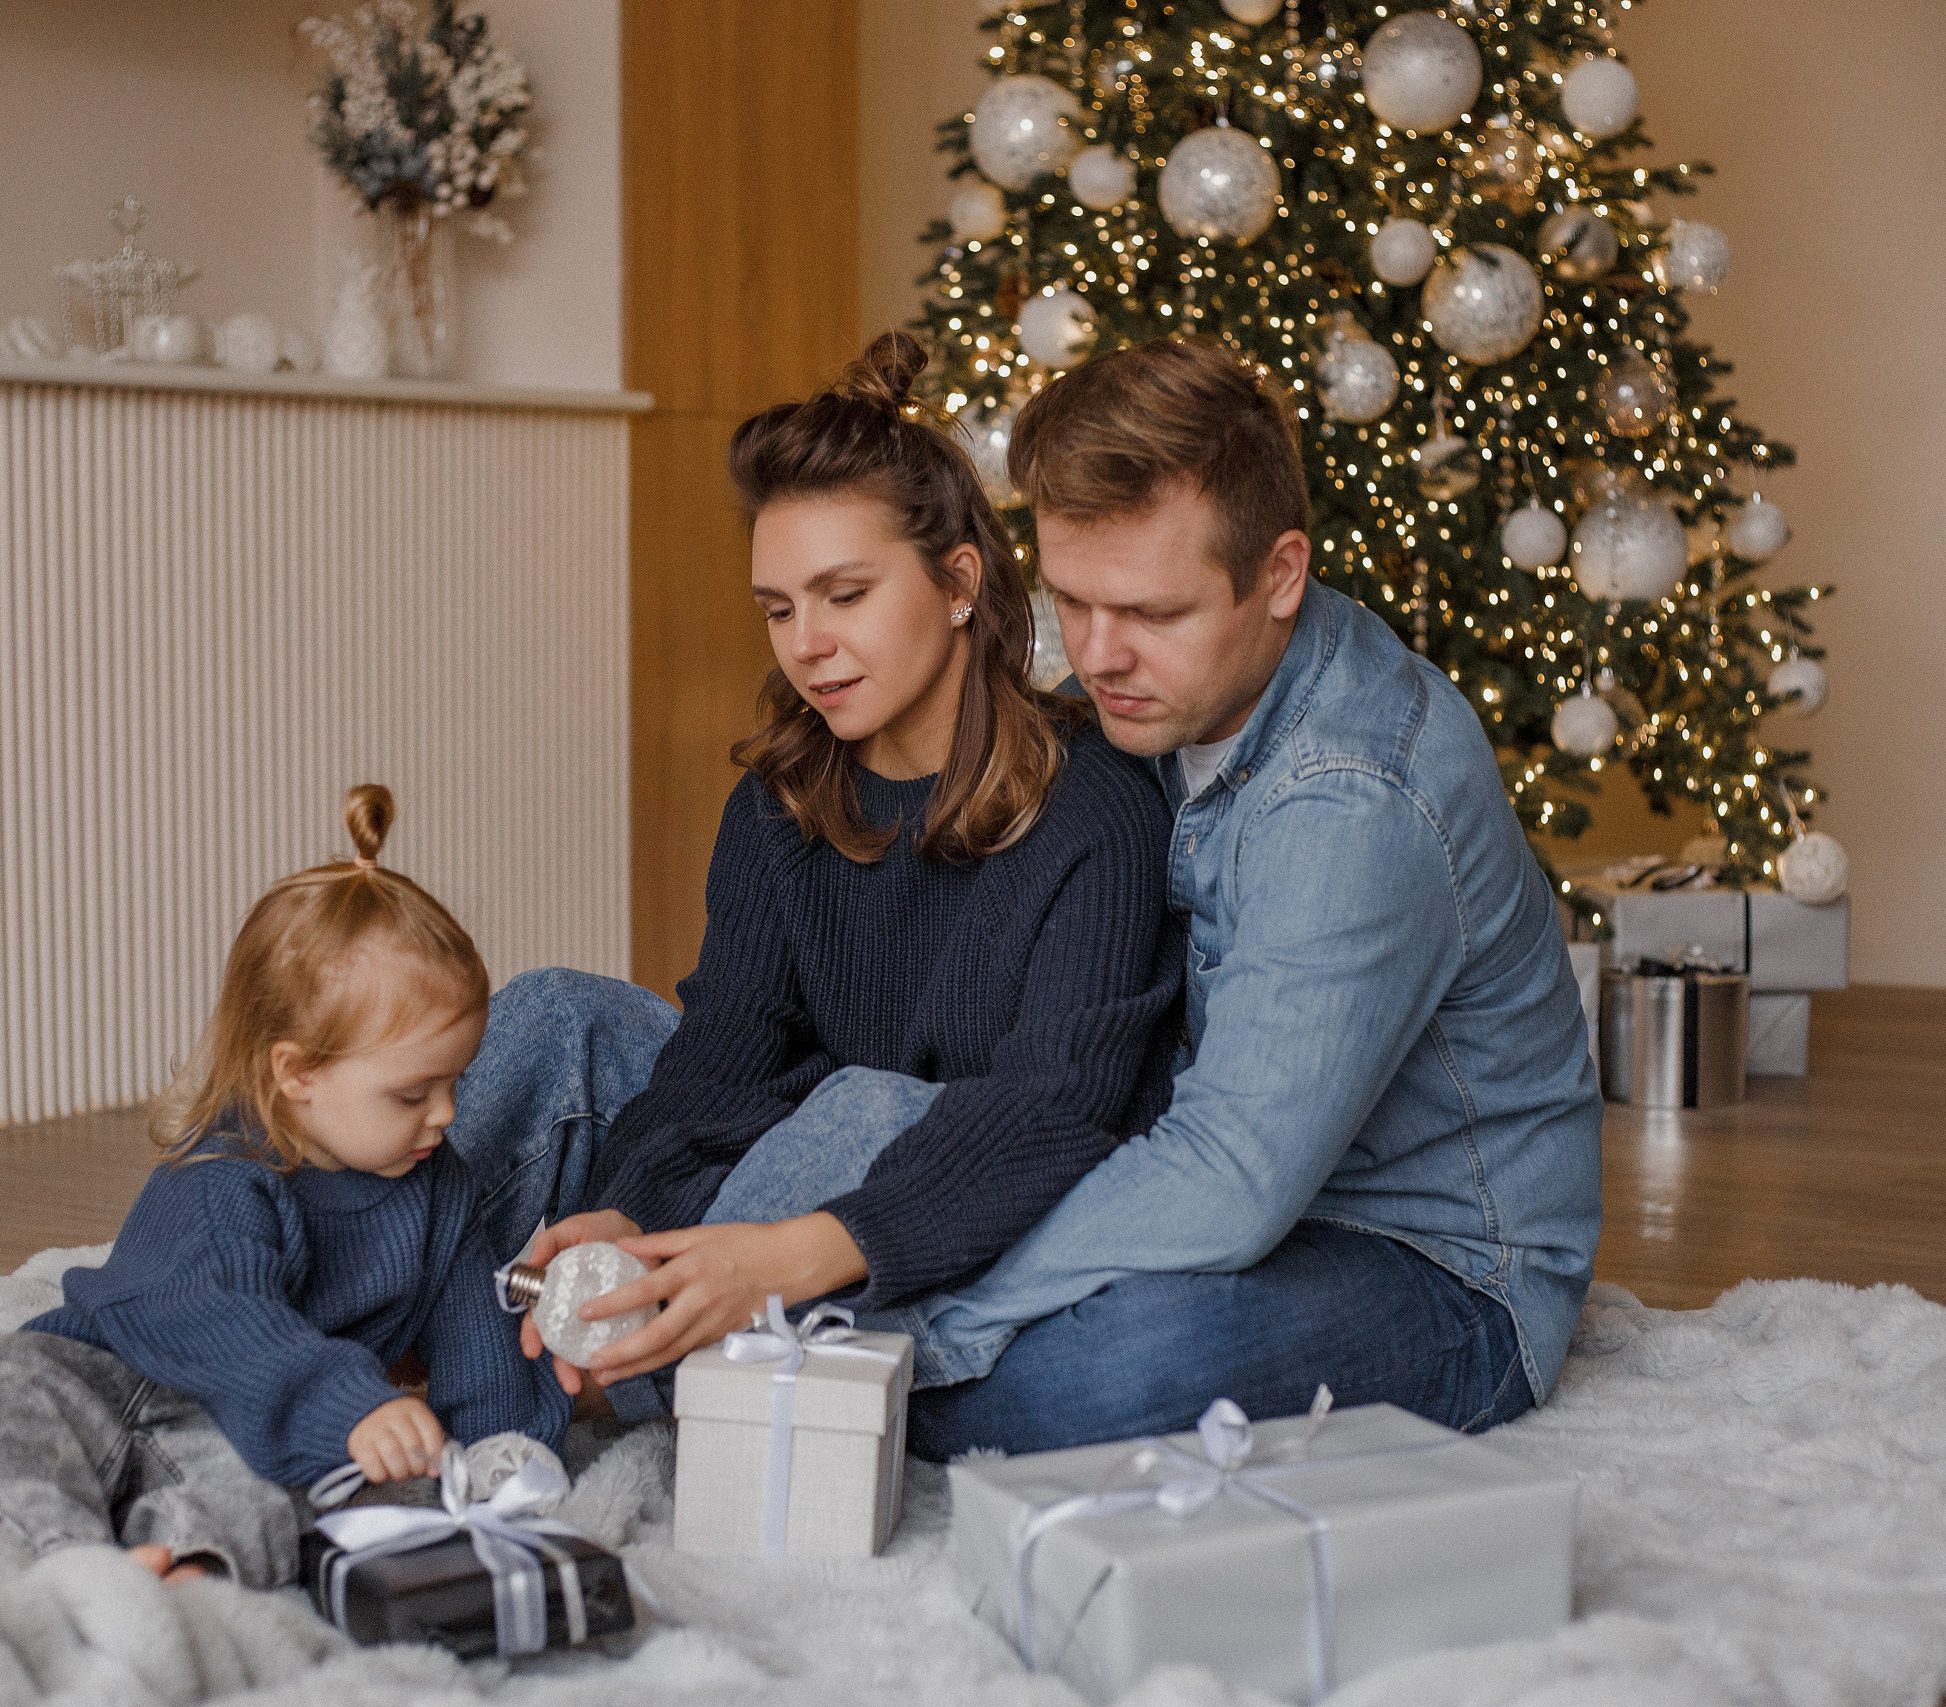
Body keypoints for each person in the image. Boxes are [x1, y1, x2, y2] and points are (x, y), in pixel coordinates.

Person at [439, 331, 1184, 1426]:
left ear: (959, 583)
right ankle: (311, 1269)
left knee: (865, 1106)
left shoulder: (1094, 804)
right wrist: (626, 1207)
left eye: (844, 595)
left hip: (939, 1211)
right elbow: (725, 1051)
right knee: (560, 1013)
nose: (808, 646)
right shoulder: (780, 801)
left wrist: (745, 1256)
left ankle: (571, 1373)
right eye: (779, 609)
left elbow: (1056, 1114)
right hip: (790, 1164)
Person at [886, 338, 1605, 1456]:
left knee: (1107, 1373)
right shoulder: (1144, 706)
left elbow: (1229, 1183)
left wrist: (913, 1314)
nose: (1097, 655)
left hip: (1431, 1263)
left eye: (1154, 614)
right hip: (1219, 1179)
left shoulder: (1354, 797)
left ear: (1279, 576)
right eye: (1073, 602)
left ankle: (865, 1376)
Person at [0, 786, 524, 1587]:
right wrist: (349, 1402)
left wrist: (491, 1465)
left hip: (252, 1432)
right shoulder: (222, 1178)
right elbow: (229, 1323)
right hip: (124, 1379)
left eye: (457, 1081)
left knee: (373, 1485)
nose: (447, 1113)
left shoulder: (437, 1186)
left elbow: (477, 1344)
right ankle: (60, 1562)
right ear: (298, 1073)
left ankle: (186, 1568)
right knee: (3, 1388)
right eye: (413, 1093)